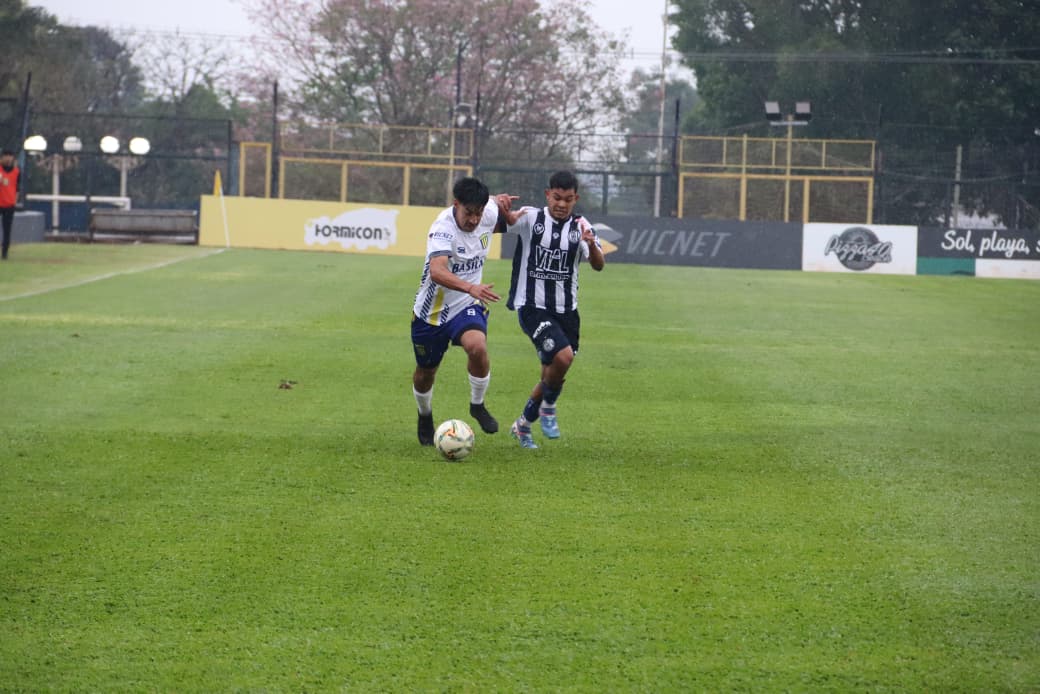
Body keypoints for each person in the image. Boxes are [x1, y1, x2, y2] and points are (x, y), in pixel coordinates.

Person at [410, 176, 520, 446]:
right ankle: (424, 414)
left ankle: (477, 404)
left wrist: (503, 206)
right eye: (468, 213)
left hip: (467, 306)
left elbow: (500, 211)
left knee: (478, 347)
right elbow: (437, 271)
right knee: (426, 372)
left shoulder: (487, 212)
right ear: (455, 204)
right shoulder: (443, 228)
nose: (474, 220)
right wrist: (470, 288)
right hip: (432, 312)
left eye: (478, 213)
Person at [506, 170, 606, 449]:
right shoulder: (531, 217)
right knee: (562, 358)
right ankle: (548, 408)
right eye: (557, 198)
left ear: (576, 199)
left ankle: (523, 425)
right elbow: (505, 222)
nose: (561, 204)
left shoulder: (582, 225)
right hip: (532, 307)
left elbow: (598, 264)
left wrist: (590, 246)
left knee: (551, 373)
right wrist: (505, 214)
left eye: (568, 199)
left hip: (567, 311)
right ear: (548, 195)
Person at [0, 149, 20, 261]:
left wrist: (14, 201)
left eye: (10, 156)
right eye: (6, 156)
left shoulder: (16, 171)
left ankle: (4, 253)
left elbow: (17, 188)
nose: (8, 158)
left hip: (9, 205)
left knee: (7, 230)